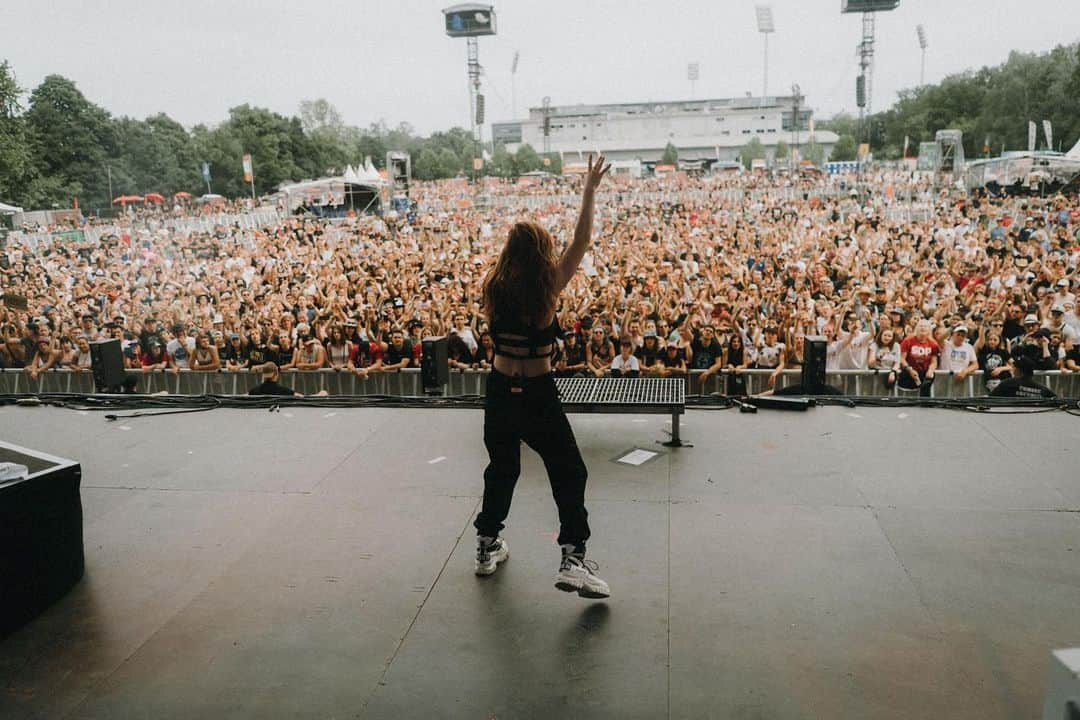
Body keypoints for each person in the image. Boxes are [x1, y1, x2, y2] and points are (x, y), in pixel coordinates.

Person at [473, 154, 610, 599]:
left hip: (499, 391)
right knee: (568, 470)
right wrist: (588, 191)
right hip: (536, 391)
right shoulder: (549, 284)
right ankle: (573, 558)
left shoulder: (492, 284)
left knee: (503, 468)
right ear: (540, 252)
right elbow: (582, 240)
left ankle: (486, 544)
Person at [990, 346, 1056, 399]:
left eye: (1014, 367)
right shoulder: (1043, 390)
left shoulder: (1006, 384)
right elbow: (1056, 399)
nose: (1013, 369)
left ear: (1019, 370)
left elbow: (990, 398)